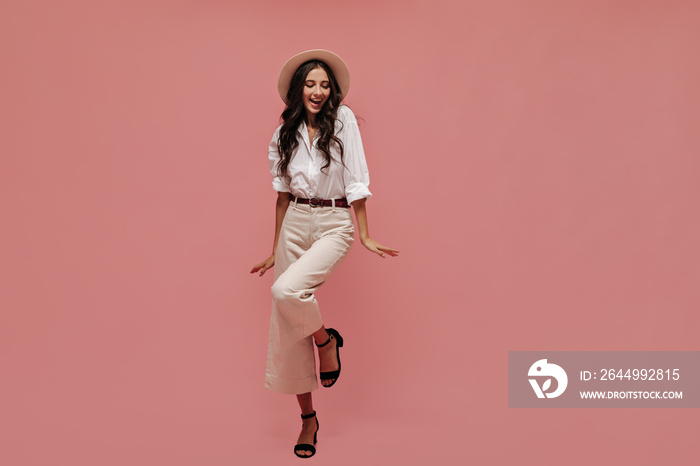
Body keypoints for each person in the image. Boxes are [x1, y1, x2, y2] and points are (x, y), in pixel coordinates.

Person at [250, 49, 398, 459]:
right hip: (294, 221)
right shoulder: (284, 134)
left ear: (332, 91)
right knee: (285, 329)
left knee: (286, 294)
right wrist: (273, 247)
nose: (318, 91)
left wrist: (364, 234)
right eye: (310, 84)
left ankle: (326, 340)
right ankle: (308, 420)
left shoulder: (344, 120)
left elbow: (356, 177)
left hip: (333, 222)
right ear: (298, 90)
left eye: (325, 84)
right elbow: (281, 198)